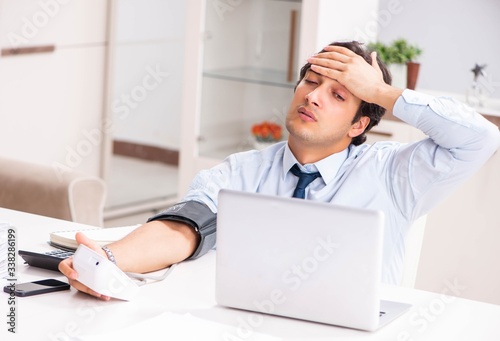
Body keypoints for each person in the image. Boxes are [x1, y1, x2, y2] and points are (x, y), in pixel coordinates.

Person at [60, 41, 500, 299]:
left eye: (339, 95)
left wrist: (380, 90)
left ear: (360, 124)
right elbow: (185, 228)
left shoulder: (396, 174)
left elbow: (480, 138)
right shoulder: (239, 171)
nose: (313, 97)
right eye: (310, 81)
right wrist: (107, 263)